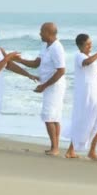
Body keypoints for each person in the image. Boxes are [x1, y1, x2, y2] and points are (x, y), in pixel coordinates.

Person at [14, 22, 66, 156]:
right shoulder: (45, 46)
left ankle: (55, 148)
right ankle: (54, 146)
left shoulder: (57, 48)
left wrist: (44, 85)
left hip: (54, 86)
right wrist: (19, 60)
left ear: (49, 33)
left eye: (41, 31)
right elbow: (36, 63)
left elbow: (61, 71)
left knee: (49, 116)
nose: (39, 34)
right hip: (48, 84)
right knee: (53, 116)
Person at [63, 34, 97, 159]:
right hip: (87, 94)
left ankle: (77, 150)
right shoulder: (79, 56)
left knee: (94, 121)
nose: (90, 46)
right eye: (87, 44)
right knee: (95, 120)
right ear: (80, 45)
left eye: (91, 43)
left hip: (95, 93)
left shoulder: (89, 57)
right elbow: (87, 62)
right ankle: (86, 151)